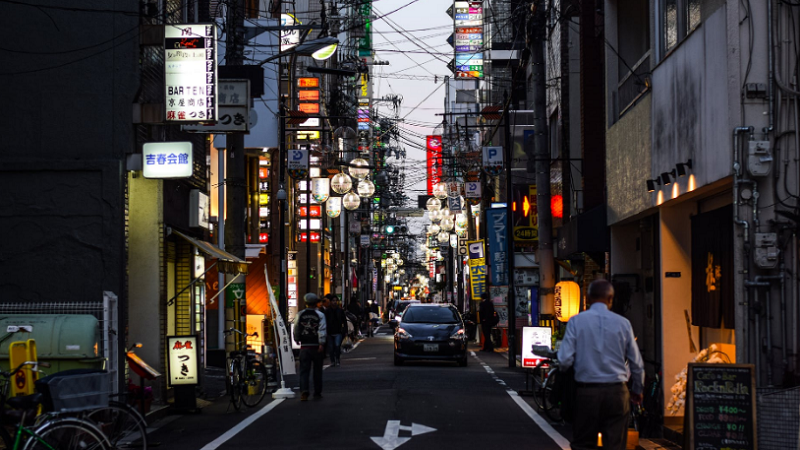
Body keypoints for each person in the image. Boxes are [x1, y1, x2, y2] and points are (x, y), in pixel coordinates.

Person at [557, 279, 644, 450]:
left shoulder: (576, 322)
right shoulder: (623, 323)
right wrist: (637, 390)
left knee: (583, 444)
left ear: (588, 298)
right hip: (617, 392)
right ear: (611, 299)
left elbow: (564, 359)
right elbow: (636, 363)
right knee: (615, 445)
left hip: (587, 392)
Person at [292, 293, 327, 401]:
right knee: (317, 371)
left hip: (305, 346)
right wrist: (321, 343)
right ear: (316, 303)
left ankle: (304, 392)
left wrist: (297, 339)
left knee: (304, 370)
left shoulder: (300, 315)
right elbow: (322, 329)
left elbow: (296, 328)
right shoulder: (320, 315)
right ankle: (317, 392)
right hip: (316, 346)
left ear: (305, 303)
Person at [324, 294, 347, 366]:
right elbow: (325, 321)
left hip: (338, 331)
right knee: (331, 348)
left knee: (337, 346)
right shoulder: (327, 311)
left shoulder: (340, 310)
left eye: (335, 301)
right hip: (329, 332)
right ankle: (332, 361)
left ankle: (337, 360)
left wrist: (345, 330)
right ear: (330, 302)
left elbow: (344, 321)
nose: (334, 302)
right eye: (333, 301)